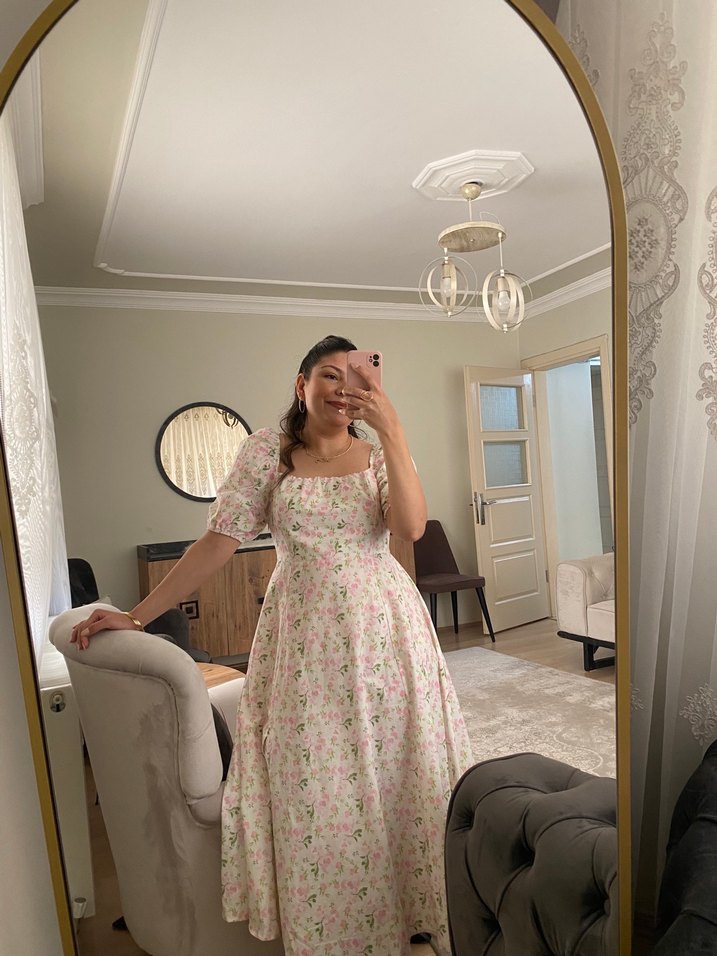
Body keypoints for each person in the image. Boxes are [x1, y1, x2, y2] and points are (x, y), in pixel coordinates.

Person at [72, 334, 473, 956]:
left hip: (386, 632)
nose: (343, 388)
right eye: (329, 375)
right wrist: (136, 614)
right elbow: (218, 542)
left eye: (356, 377)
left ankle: (413, 909)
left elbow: (410, 527)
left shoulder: (377, 454)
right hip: (304, 636)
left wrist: (393, 431)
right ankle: (337, 926)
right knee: (314, 778)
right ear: (301, 384)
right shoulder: (266, 451)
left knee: (402, 765)